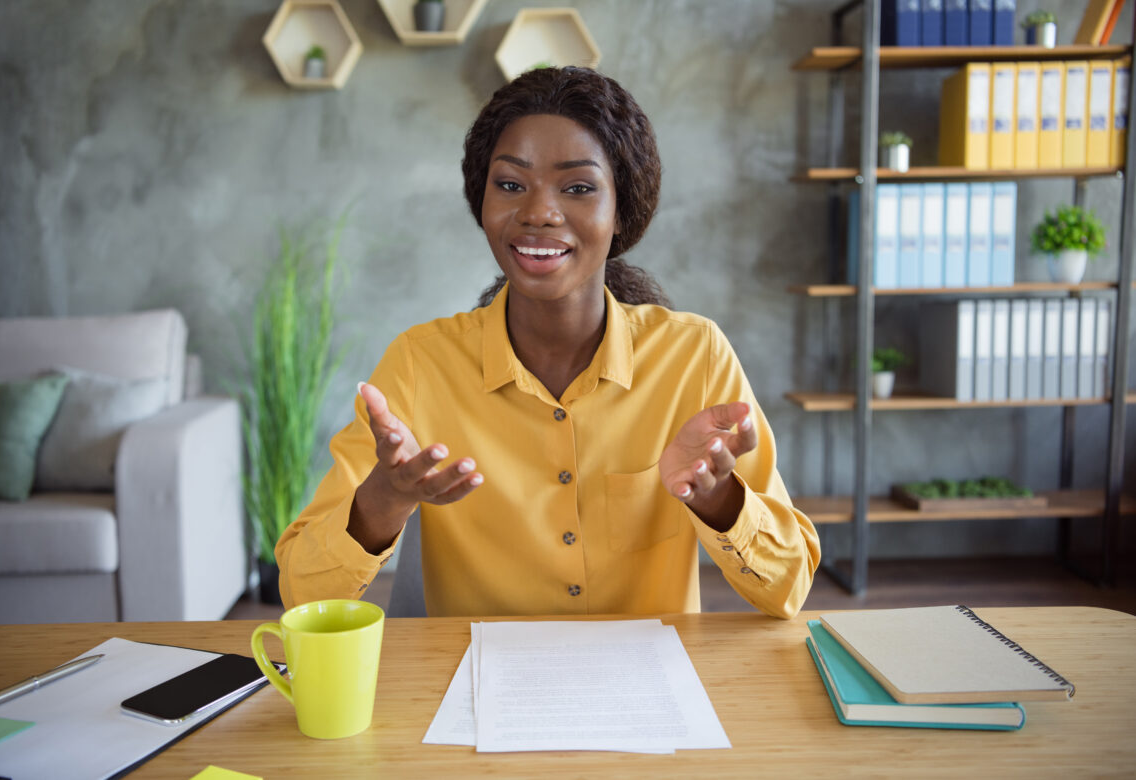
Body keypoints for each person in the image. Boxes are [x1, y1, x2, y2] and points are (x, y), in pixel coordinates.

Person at [276, 67, 819, 618]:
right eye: (510, 185)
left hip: (645, 691)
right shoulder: (421, 363)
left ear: (620, 208)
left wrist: (719, 498)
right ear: (481, 203)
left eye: (578, 188)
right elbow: (302, 594)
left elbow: (788, 588)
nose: (538, 212)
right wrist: (383, 500)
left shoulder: (694, 357)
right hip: (475, 690)